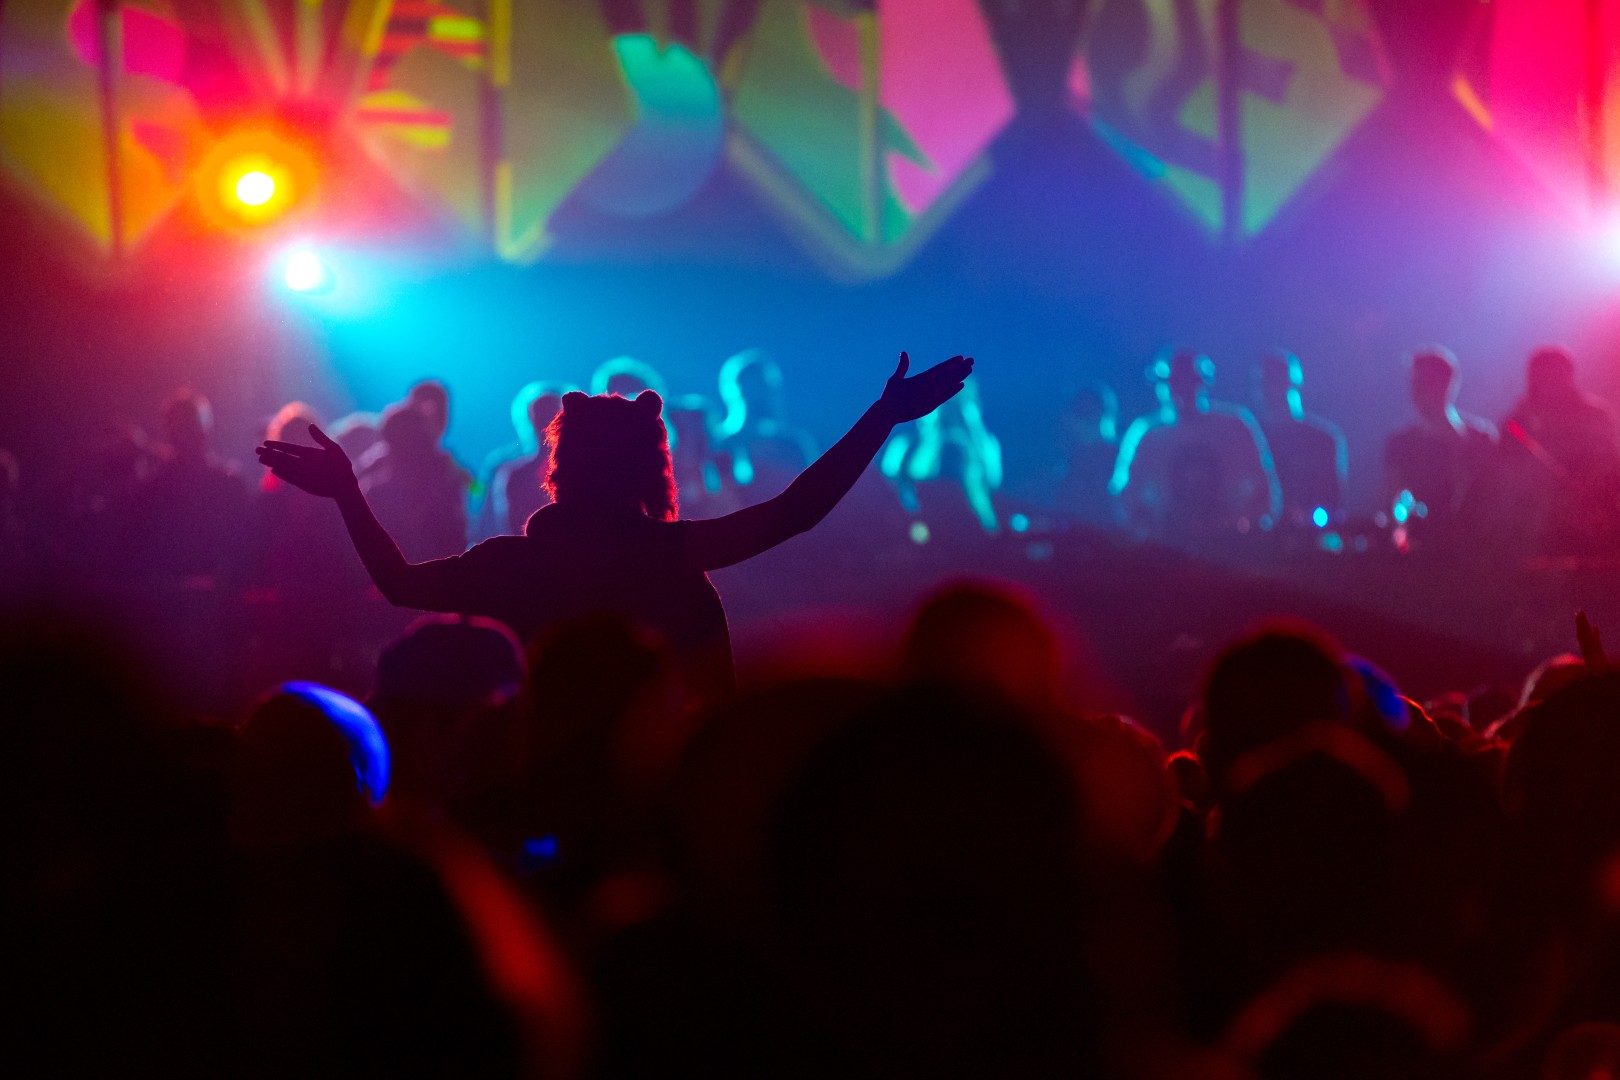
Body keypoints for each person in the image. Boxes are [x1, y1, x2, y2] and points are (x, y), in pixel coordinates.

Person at [257, 353, 973, 708]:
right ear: (647, 467)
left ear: (559, 468)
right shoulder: (667, 554)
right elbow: (796, 511)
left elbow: (399, 583)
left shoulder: (510, 563)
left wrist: (347, 492)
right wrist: (883, 417)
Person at [1110, 349, 1280, 539]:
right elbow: (1125, 495)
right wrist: (1149, 530)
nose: (1180, 390)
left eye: (1187, 382)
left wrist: (1243, 525)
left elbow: (1263, 489)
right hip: (1169, 546)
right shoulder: (1147, 433)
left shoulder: (1234, 426)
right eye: (1174, 383)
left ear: (1203, 383)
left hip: (1229, 544)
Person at [1499, 346, 1620, 553]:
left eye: (1553, 376)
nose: (1547, 384)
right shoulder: (1520, 422)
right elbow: (1509, 474)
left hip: (1592, 518)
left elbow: (1608, 465)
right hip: (1538, 524)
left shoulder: (1593, 415)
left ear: (1568, 376)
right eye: (1540, 377)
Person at [1383, 347, 1496, 533]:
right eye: (1413, 384)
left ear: (1446, 385)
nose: (1415, 392)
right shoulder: (1401, 444)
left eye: (1421, 383)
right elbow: (1391, 502)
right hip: (1422, 549)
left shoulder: (1482, 439)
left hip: (1475, 547)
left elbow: (1494, 501)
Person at [1254, 351, 1347, 528]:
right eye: (1266, 383)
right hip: (1266, 538)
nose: (1269, 390)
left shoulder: (1324, 439)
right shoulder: (1256, 439)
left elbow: (1333, 499)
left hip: (1311, 537)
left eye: (1274, 381)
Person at [714, 348, 818, 497]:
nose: (755, 396)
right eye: (748, 388)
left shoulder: (792, 445)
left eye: (760, 387)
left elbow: (812, 493)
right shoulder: (716, 445)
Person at [479, 382, 571, 538]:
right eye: (541, 414)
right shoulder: (510, 471)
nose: (547, 424)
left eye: (552, 414)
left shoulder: (579, 471)